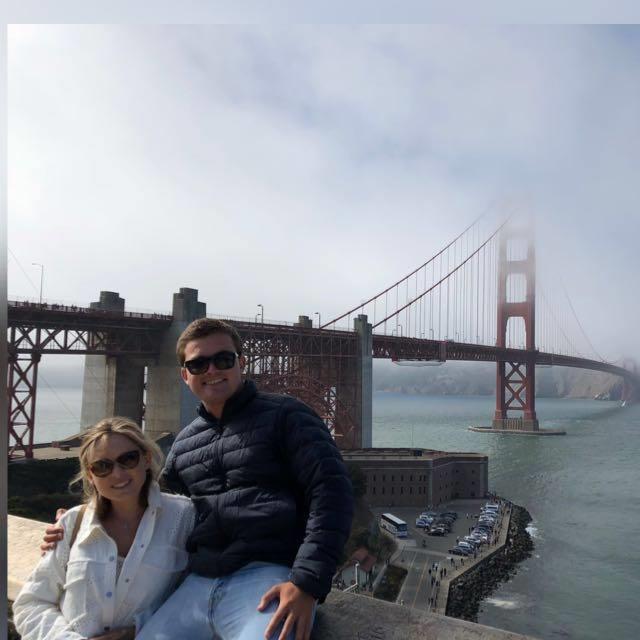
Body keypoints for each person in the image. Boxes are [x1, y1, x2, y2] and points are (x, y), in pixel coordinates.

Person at [43, 318, 353, 640]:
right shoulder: (185, 444)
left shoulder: (288, 416)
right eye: (198, 364)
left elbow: (331, 492)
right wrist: (81, 519)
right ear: (185, 375)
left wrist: (306, 582)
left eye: (223, 359)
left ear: (242, 362)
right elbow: (146, 504)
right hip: (195, 586)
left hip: (265, 579)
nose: (212, 370)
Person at [15, 417, 196, 640]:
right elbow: (31, 602)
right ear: (90, 476)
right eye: (102, 467)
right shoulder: (72, 524)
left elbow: (199, 597)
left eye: (128, 459)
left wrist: (138, 630)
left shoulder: (184, 517)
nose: (117, 474)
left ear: (147, 459)